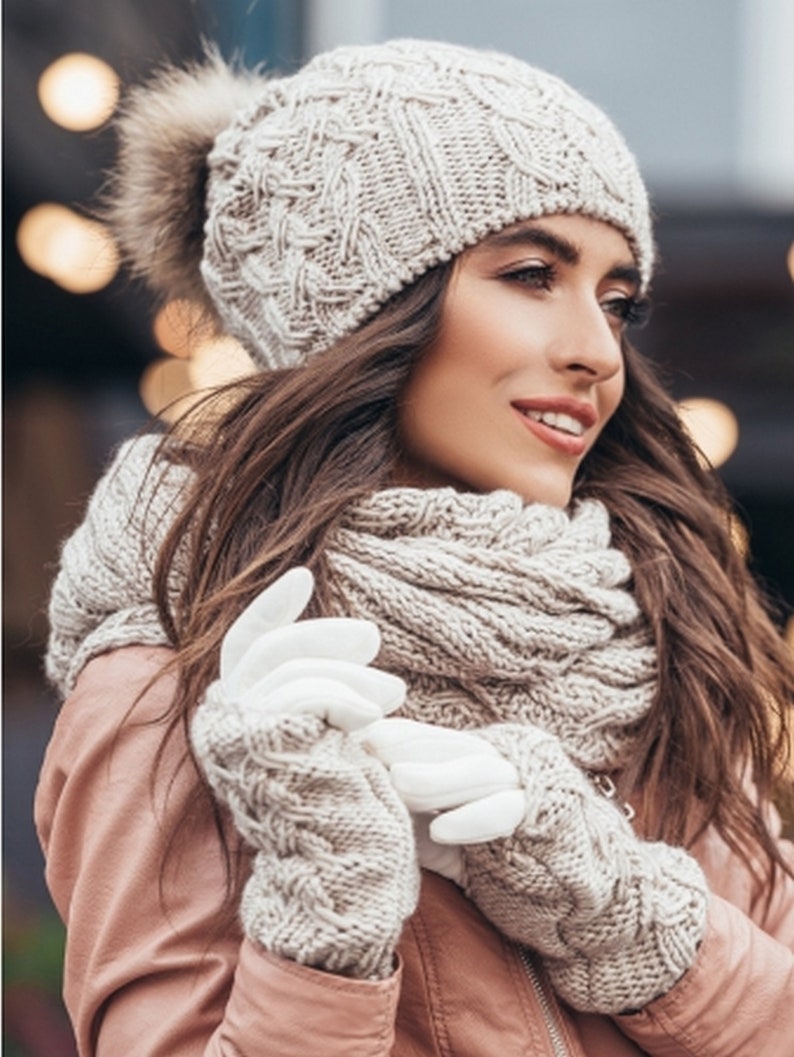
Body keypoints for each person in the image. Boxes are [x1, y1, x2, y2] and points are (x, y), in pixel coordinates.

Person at [35, 38, 794, 1057]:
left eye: (616, 301)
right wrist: (327, 904)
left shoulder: (654, 629)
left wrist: (616, 907)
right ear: (355, 308)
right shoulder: (175, 670)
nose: (596, 350)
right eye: (529, 274)